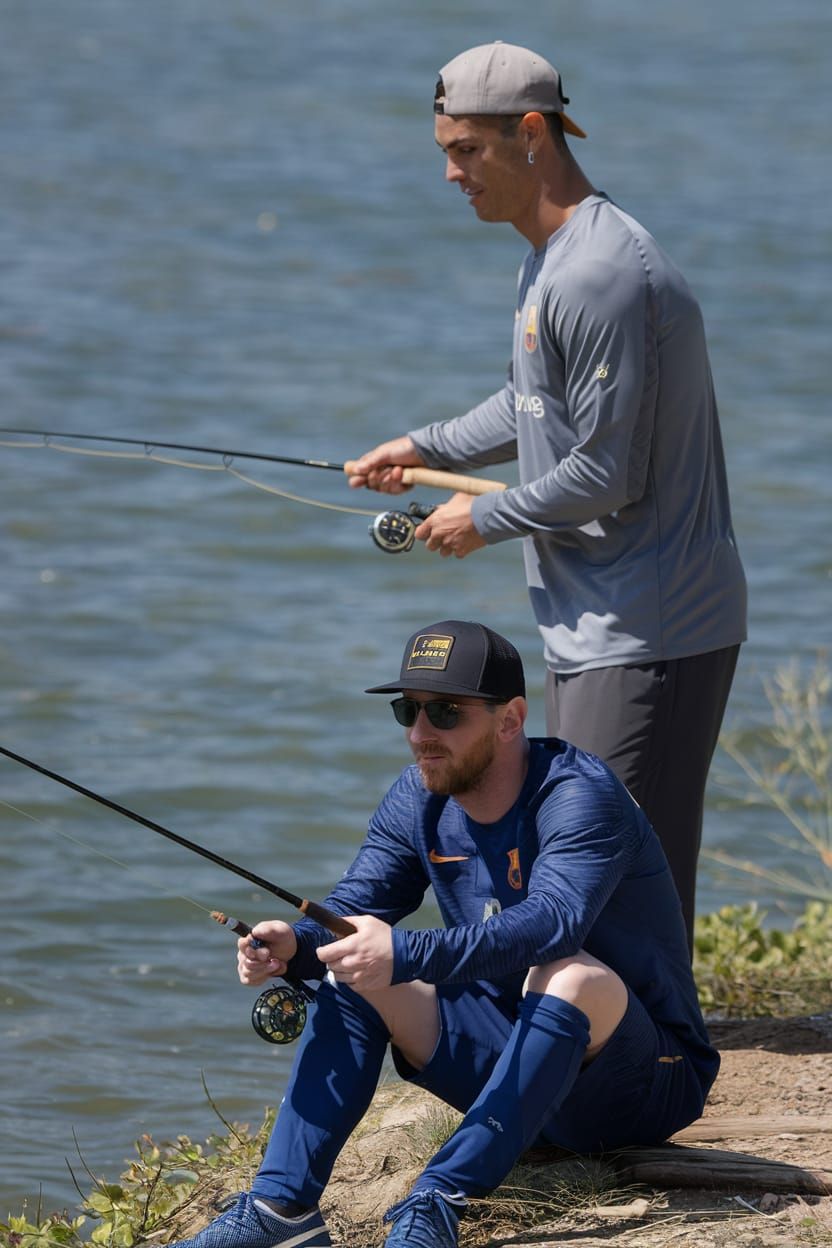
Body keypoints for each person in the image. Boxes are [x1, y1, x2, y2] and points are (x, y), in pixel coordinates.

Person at [347, 42, 747, 949]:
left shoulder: (601, 273)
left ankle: (635, 1068)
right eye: (445, 150)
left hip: (652, 627)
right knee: (614, 874)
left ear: (532, 134)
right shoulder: (547, 259)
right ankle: (639, 1056)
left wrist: (482, 517)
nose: (450, 173)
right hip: (597, 619)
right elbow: (533, 404)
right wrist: (423, 448)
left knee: (602, 877)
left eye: (467, 151)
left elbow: (610, 473)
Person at [171, 619, 719, 1248]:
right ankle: (282, 1211)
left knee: (568, 972)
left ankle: (436, 1202)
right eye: (409, 709)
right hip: (509, 1059)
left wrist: (403, 952)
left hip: (643, 1081)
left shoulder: (578, 796)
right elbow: (356, 906)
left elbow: (552, 923)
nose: (420, 733)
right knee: (352, 963)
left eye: (446, 713)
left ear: (509, 719)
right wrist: (294, 945)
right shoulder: (416, 797)